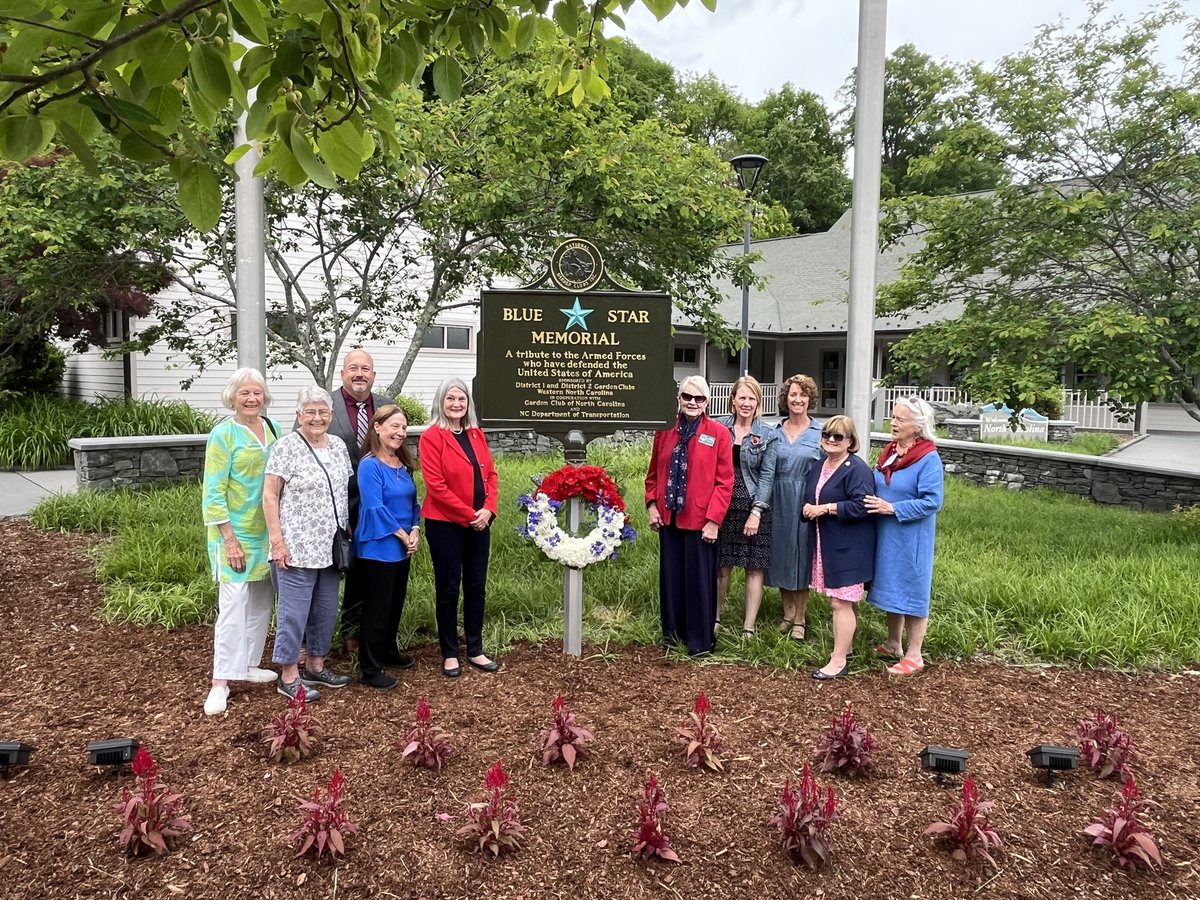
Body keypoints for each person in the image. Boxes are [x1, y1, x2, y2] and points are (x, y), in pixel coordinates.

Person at [263, 387, 355, 701]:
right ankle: (288, 675)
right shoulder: (285, 447)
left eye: (323, 412)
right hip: (296, 547)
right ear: (299, 415)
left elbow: (342, 493)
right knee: (294, 613)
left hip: (330, 547)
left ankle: (316, 666)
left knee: (326, 610)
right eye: (310, 412)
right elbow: (270, 496)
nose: (317, 418)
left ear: (331, 415)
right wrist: (277, 542)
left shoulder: (340, 446)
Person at [201, 367, 281, 715]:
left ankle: (246, 664)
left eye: (257, 393)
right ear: (232, 397)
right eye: (245, 393)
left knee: (262, 599)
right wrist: (229, 539)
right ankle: (221, 680)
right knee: (233, 605)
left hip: (267, 530)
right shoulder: (223, 435)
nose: (251, 399)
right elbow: (213, 492)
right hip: (234, 533)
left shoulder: (272, 428)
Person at [646, 375, 734, 656]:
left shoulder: (718, 433)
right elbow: (653, 474)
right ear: (679, 399)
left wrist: (714, 520)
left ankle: (699, 642)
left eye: (699, 398)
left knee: (699, 582)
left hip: (701, 521)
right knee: (671, 580)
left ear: (707, 402)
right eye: (688, 397)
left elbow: (725, 482)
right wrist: (651, 505)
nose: (693, 403)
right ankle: (671, 637)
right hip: (669, 517)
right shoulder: (664, 430)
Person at [419, 378, 500, 678]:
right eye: (450, 398)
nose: (456, 404)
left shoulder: (477, 434)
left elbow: (491, 474)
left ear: (468, 404)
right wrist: (469, 514)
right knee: (449, 588)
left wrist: (489, 509)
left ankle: (475, 649)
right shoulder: (431, 437)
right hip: (446, 524)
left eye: (461, 399)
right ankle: (450, 652)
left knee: (477, 587)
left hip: (480, 522)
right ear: (441, 401)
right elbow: (436, 487)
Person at [865, 396, 945, 676]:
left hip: (911, 536)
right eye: (893, 417)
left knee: (912, 589)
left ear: (918, 426)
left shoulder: (928, 458)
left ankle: (915, 654)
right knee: (891, 584)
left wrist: (893, 508)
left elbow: (933, 501)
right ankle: (893, 642)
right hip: (886, 533)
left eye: (900, 419)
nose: (893, 422)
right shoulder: (890, 451)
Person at [326, 348, 393, 653]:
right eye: (354, 368)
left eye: (366, 369)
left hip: (376, 503)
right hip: (337, 501)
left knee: (368, 568)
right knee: (335, 568)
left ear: (373, 375)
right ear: (343, 373)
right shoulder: (326, 406)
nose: (360, 374)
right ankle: (317, 636)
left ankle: (358, 631)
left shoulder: (386, 406)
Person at [801, 415, 876, 680]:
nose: (831, 440)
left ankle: (838, 660)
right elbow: (813, 496)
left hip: (850, 548)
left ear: (851, 441)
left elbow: (863, 505)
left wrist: (827, 508)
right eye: (827, 435)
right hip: (827, 544)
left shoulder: (856, 469)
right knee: (842, 602)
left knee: (840, 603)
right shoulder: (821, 465)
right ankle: (848, 647)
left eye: (838, 437)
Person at [353, 405, 421, 689]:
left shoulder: (402, 465)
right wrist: (403, 535)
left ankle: (388, 651)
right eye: (394, 426)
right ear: (377, 427)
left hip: (402, 546)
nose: (400, 432)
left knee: (394, 604)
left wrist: (415, 528)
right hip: (378, 547)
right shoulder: (370, 465)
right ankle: (369, 668)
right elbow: (374, 507)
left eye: (404, 427)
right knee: (376, 609)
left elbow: (412, 504)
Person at [714, 376, 778, 636]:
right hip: (722, 506)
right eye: (742, 397)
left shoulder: (767, 434)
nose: (746, 403)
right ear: (733, 400)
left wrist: (756, 511)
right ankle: (714, 619)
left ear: (758, 402)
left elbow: (767, 476)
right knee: (722, 566)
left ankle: (748, 627)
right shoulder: (718, 428)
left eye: (752, 398)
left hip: (753, 507)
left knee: (754, 568)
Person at [765, 374, 823, 642]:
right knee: (780, 556)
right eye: (793, 395)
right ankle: (787, 614)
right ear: (785, 399)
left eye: (803, 395)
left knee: (800, 557)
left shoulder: (821, 433)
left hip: (804, 501)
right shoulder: (773, 431)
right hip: (776, 499)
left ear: (810, 400)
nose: (797, 399)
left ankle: (800, 618)